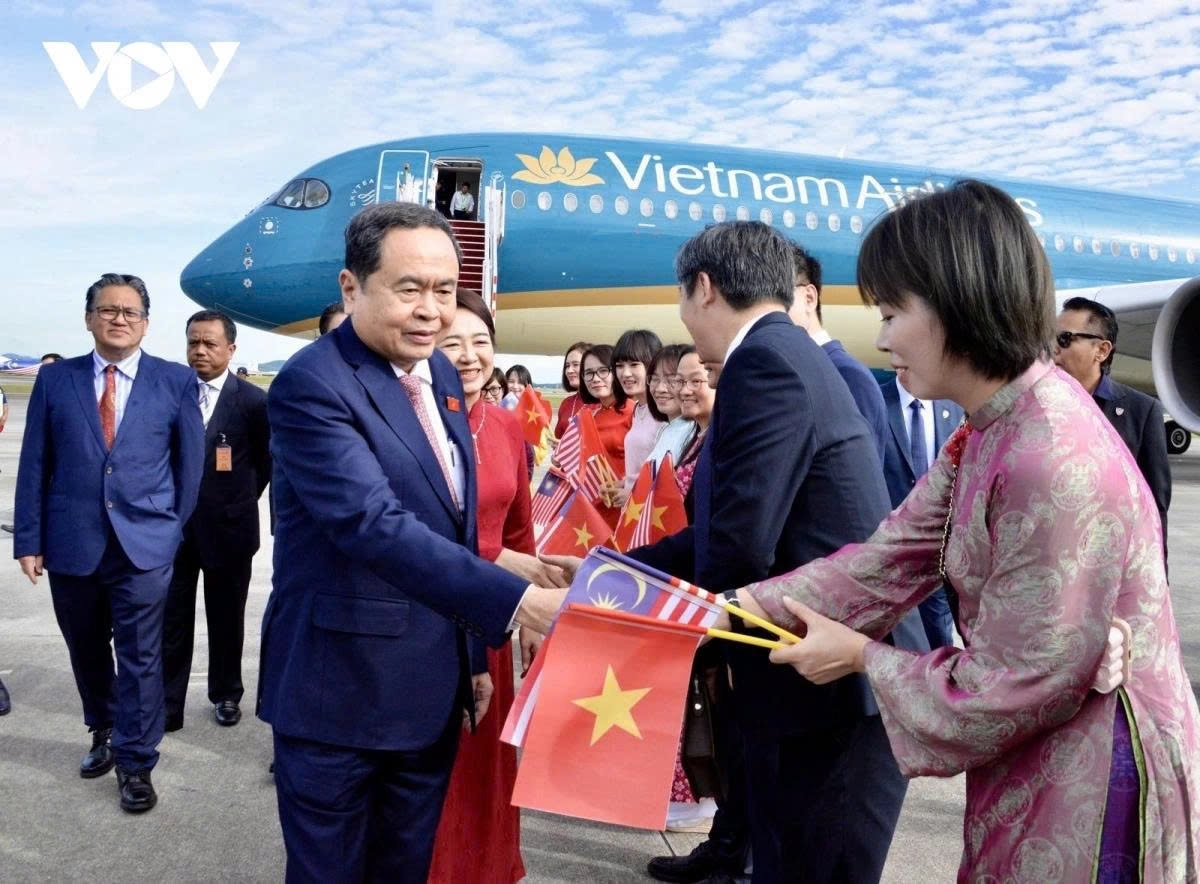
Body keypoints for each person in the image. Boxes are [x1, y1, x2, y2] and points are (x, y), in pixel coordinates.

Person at [733, 180, 1199, 881]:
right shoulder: (990, 427)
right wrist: (725, 611)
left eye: (892, 313)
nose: (883, 337)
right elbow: (885, 561)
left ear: (958, 303)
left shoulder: (1051, 457)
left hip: (1098, 770)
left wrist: (864, 658)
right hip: (1041, 753)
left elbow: (1015, 683)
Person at [259, 202, 563, 882]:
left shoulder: (444, 378)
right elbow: (373, 524)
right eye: (410, 288)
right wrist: (517, 605)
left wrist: (472, 660)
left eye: (445, 291)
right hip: (339, 697)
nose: (433, 311)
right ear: (351, 288)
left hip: (429, 694)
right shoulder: (313, 385)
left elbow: (451, 526)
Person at [612, 221, 911, 883]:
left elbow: (740, 548)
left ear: (705, 289)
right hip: (807, 685)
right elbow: (726, 527)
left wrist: (668, 630)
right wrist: (618, 572)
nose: (685, 320)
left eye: (683, 301)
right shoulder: (786, 351)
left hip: (829, 695)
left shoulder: (763, 362)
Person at [13, 273, 204, 813]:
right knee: (87, 649)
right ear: (89, 317)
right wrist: (29, 538)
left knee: (142, 656)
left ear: (146, 322)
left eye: (130, 311)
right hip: (72, 544)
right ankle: (102, 730)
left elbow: (189, 471)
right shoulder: (57, 381)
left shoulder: (175, 381)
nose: (118, 319)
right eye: (108, 310)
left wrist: (169, 530)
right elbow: (35, 465)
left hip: (144, 547)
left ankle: (137, 761)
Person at [428, 288, 563, 884]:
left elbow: (521, 529)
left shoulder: (509, 426)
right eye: (451, 341)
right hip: (430, 617)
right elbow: (410, 528)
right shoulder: (414, 420)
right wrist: (501, 562)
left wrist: (531, 618)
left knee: (486, 763)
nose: (468, 354)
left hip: (493, 622)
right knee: (437, 767)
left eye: (480, 341)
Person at [162, 310, 271, 731]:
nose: (200, 350)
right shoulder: (173, 394)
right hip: (174, 533)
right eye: (193, 342)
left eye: (209, 343)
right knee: (171, 620)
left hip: (230, 531)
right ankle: (169, 702)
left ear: (231, 348)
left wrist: (236, 500)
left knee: (227, 618)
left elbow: (264, 463)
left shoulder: (252, 401)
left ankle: (226, 694)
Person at [1054, 296, 1171, 544]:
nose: (1054, 348)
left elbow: (1155, 509)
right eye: (1052, 339)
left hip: (1111, 560)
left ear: (1102, 350)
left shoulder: (1140, 411)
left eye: (1065, 339)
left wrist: (1158, 578)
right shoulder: (1036, 407)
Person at [881, 375, 964, 648]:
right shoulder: (877, 401)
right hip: (890, 546)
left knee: (939, 635)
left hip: (937, 548)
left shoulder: (952, 406)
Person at [787, 242, 889, 463]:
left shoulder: (848, 376)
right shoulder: (796, 370)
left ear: (809, 298)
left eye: (779, 297)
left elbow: (860, 480)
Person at [612, 329, 664, 490]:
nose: (625, 373)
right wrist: (625, 484)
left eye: (634, 365)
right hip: (633, 510)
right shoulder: (638, 409)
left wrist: (631, 493)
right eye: (619, 366)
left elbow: (664, 476)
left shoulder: (666, 413)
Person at [577, 344, 635, 480]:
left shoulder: (635, 413)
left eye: (603, 371)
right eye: (589, 373)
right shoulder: (590, 416)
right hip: (591, 496)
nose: (596, 379)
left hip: (625, 497)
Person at [643, 343, 697, 470]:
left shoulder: (692, 432)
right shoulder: (665, 429)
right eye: (655, 379)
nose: (660, 389)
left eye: (672, 380)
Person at [553, 341, 589, 438]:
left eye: (575, 364)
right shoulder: (566, 403)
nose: (569, 370)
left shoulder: (604, 403)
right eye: (567, 366)